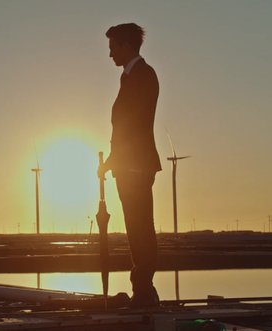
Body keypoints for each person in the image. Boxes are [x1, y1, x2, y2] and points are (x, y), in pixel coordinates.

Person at [98, 23, 162, 308]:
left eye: (113, 47)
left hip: (135, 164)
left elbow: (132, 125)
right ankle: (143, 289)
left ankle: (144, 290)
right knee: (136, 227)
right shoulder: (131, 77)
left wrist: (114, 159)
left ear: (125, 45)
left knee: (140, 227)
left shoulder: (143, 76)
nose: (110, 54)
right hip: (130, 164)